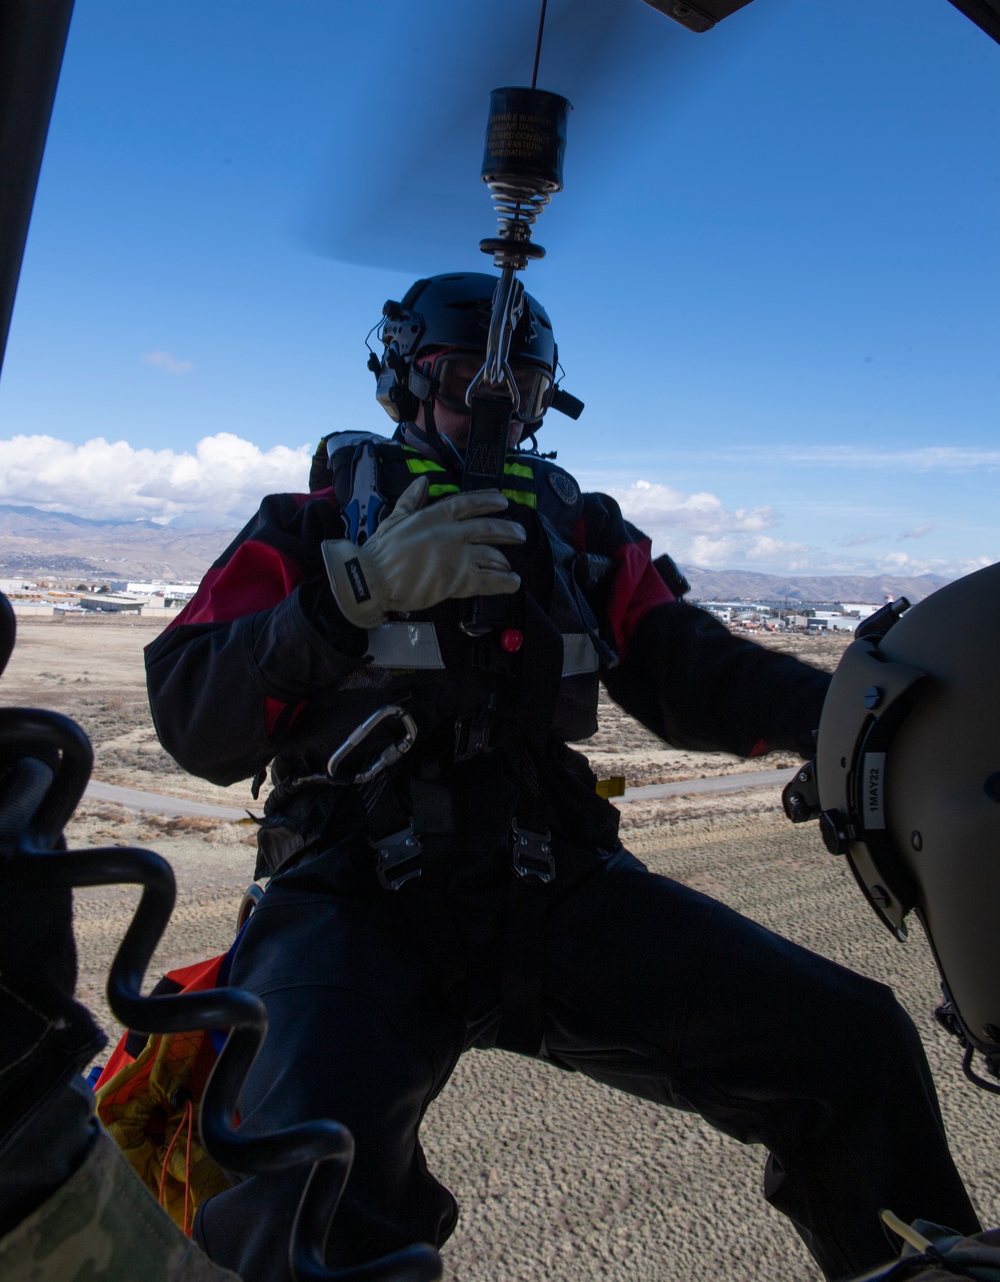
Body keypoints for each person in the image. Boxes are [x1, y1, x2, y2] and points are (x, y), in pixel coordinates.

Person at [145, 272, 978, 1281]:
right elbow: (194, 718)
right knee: (298, 1180)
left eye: (524, 393)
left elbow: (690, 675)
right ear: (403, 384)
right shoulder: (309, 525)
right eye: (463, 382)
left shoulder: (576, 532)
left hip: (549, 880)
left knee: (853, 1050)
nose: (493, 415)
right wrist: (343, 601)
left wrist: (861, 718)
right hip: (352, 888)